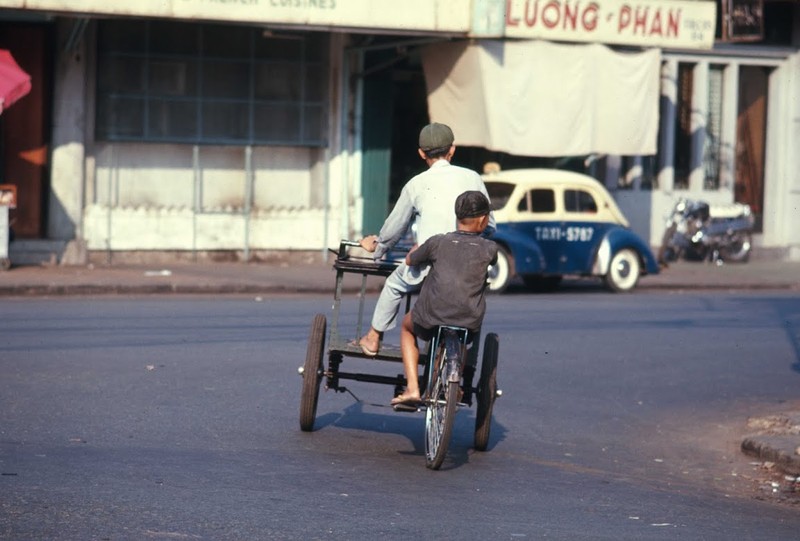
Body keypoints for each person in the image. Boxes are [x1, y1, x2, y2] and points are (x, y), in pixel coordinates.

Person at [357, 122, 495, 356]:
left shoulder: (416, 184)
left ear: (421, 153)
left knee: (393, 285)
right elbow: (489, 225)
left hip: (426, 265)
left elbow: (394, 227)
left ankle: (373, 337)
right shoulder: (473, 178)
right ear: (452, 150)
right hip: (466, 268)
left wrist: (378, 246)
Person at [392, 191, 497, 406]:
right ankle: (455, 386)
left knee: (406, 327)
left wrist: (415, 251)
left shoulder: (437, 242)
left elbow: (411, 260)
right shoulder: (490, 249)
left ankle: (412, 388)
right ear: (483, 220)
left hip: (431, 315)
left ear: (457, 217)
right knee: (464, 338)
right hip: (468, 317)